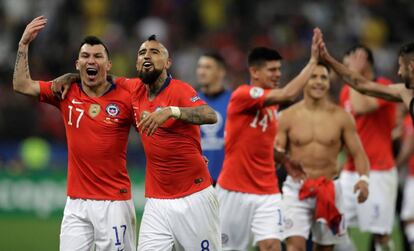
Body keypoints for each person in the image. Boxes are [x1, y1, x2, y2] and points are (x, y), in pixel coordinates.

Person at [13, 16, 137, 251]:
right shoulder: (65, 91)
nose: (92, 60)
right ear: (77, 63)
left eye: (98, 56)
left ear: (109, 65)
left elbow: (151, 125)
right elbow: (21, 84)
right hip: (76, 203)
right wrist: (23, 45)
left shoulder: (126, 95)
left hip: (114, 203)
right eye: (86, 56)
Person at [216, 28, 322, 251]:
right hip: (234, 190)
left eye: (279, 69)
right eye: (272, 70)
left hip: (268, 190)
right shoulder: (243, 95)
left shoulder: (271, 105)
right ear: (254, 72)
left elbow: (260, 143)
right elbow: (288, 94)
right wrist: (313, 62)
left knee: (272, 245)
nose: (277, 74)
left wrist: (284, 159)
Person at [123, 35, 221, 251]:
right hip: (157, 202)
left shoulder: (180, 89)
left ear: (168, 63)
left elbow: (209, 115)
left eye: (155, 52)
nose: (147, 55)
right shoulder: (133, 89)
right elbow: (103, 80)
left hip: (194, 197)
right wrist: (71, 78)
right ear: (137, 64)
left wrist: (171, 112)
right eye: (142, 53)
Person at [275, 62, 370, 251]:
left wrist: (364, 180)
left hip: (330, 188)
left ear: (329, 82)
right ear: (304, 81)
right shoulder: (286, 116)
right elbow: (274, 154)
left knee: (325, 248)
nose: (318, 82)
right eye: (313, 77)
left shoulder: (342, 117)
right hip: (296, 189)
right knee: (295, 247)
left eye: (323, 77)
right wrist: (281, 158)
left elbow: (359, 153)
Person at [337, 45, 397, 251]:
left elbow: (363, 106)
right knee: (336, 225)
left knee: (381, 234)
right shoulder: (345, 92)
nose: (344, 72)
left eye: (349, 66)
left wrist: (354, 76)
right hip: (351, 170)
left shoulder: (384, 86)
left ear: (365, 65)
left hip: (379, 170)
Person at [196, 52, 231, 185]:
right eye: (200, 67)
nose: (201, 72)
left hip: (227, 182)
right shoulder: (190, 102)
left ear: (221, 72)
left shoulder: (234, 102)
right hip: (197, 182)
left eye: (208, 67)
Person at [396, 113, 414, 250]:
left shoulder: (410, 119)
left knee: (408, 217)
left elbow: (408, 147)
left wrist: (394, 166)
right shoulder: (406, 120)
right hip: (411, 174)